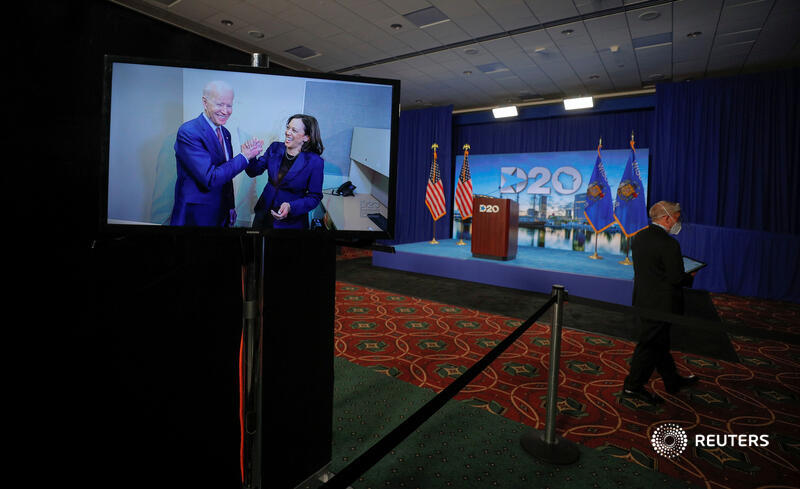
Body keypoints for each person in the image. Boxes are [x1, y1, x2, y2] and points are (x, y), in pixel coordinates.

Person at [622, 201, 699, 404]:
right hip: (661, 305)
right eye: (677, 217)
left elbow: (652, 269)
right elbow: (676, 278)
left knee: (660, 343)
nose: (678, 221)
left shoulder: (640, 236)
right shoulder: (669, 243)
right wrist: (691, 276)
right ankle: (632, 387)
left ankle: (672, 381)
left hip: (643, 298)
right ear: (667, 218)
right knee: (648, 346)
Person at [170, 80, 263, 227]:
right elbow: (210, 178)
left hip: (221, 213)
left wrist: (230, 206)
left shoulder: (225, 133)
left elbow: (226, 175)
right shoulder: (188, 132)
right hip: (195, 217)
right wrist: (244, 156)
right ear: (205, 102)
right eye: (220, 104)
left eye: (229, 105)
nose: (225, 111)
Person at [245, 114, 324, 229]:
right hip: (263, 214)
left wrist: (291, 206)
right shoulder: (275, 148)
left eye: (294, 130)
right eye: (288, 128)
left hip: (291, 223)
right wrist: (250, 156)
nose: (287, 132)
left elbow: (314, 197)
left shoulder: (315, 162)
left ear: (306, 137)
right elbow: (253, 171)